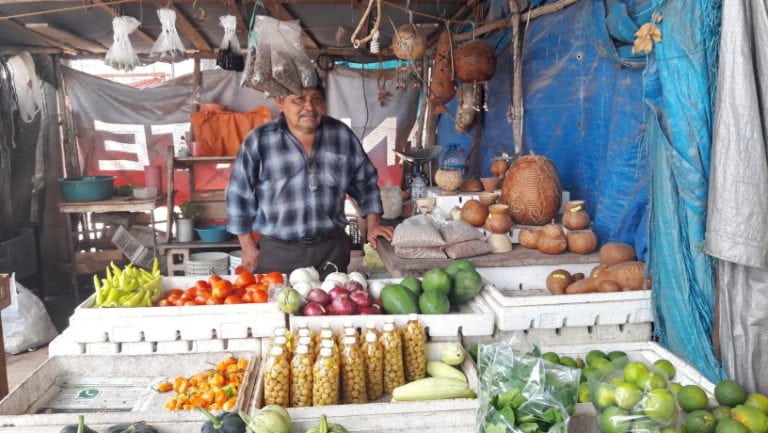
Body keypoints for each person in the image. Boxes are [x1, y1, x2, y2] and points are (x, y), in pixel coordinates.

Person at [226, 78, 394, 277]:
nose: (309, 106)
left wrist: (374, 225)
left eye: (316, 99)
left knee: (333, 305)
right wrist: (247, 246)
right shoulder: (260, 140)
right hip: (277, 252)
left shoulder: (341, 135)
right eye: (299, 99)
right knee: (280, 305)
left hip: (331, 251)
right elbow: (238, 194)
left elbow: (365, 183)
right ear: (280, 102)